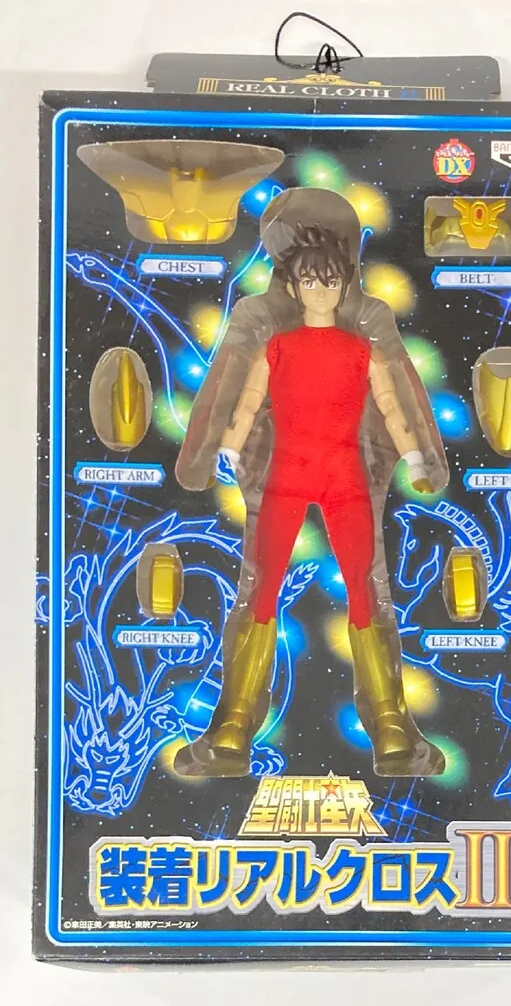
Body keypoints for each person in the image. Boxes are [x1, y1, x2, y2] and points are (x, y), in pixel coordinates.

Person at [174, 191, 448, 779]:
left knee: (364, 584)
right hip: (280, 464)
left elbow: (398, 391)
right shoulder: (262, 320)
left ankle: (389, 720)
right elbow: (232, 384)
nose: (318, 285)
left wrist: (421, 456)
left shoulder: (365, 320)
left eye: (329, 272)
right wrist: (209, 450)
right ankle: (235, 720)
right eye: (305, 271)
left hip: (349, 464)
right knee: (263, 585)